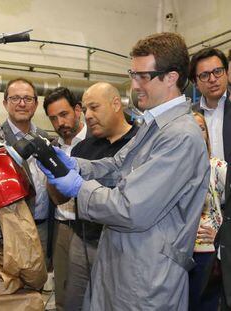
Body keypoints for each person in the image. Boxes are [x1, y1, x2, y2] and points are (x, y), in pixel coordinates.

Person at [38, 32, 210, 310]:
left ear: (171, 77)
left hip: (148, 276)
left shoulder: (181, 136)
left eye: (143, 76)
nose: (134, 85)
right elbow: (118, 166)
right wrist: (76, 166)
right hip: (125, 263)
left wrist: (78, 187)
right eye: (133, 74)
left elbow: (130, 208)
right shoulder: (154, 126)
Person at [64, 82, 138, 311]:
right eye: (85, 110)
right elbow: (62, 198)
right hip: (83, 240)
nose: (87, 116)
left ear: (116, 104)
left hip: (123, 245)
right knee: (75, 302)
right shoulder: (81, 150)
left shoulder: (141, 144)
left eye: (94, 107)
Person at [189, 47, 231, 311]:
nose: (212, 79)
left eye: (217, 71)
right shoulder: (189, 117)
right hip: (199, 215)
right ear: (195, 82)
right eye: (204, 75)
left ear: (226, 73)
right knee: (200, 295)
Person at [43, 87, 87, 311]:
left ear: (77, 110)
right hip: (61, 227)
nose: (60, 122)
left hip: (90, 231)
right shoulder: (53, 148)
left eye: (64, 114)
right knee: (63, 294)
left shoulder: (96, 141)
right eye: (53, 118)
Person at [1, 78, 52, 260]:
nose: (22, 104)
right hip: (10, 231)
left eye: (28, 99)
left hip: (43, 228)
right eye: (15, 98)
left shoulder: (45, 137)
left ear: (36, 104)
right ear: (5, 103)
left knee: (39, 283)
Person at [188, 112, 227, 311]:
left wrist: (223, 236)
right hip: (179, 255)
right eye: (192, 127)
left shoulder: (217, 166)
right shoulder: (174, 169)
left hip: (208, 254)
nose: (197, 132)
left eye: (201, 128)